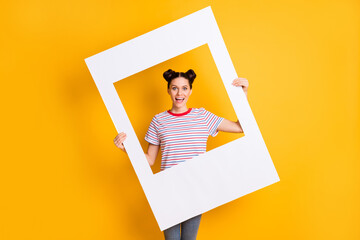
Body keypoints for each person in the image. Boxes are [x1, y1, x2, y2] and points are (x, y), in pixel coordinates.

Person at [114, 69, 249, 240]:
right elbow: (149, 160)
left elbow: (240, 127)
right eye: (174, 88)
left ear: (190, 90)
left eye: (184, 88)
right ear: (168, 90)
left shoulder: (202, 116)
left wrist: (242, 93)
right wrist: (126, 149)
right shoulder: (158, 121)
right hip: (168, 191)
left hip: (195, 190)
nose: (180, 93)